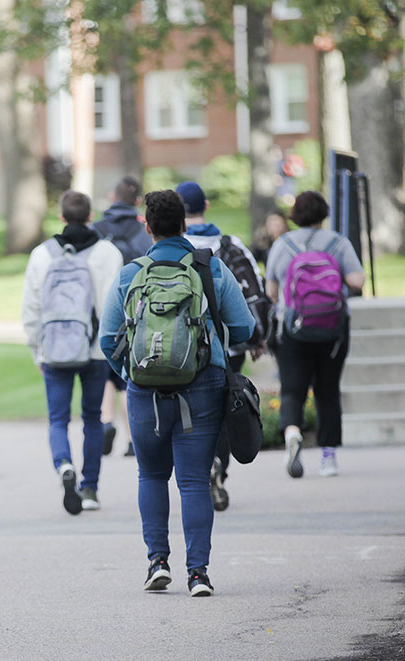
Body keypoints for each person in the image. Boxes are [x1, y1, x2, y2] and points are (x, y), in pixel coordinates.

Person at [99, 189, 255, 597]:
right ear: (184, 224)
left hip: (143, 392)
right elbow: (244, 329)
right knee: (192, 481)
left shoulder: (130, 273)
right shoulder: (210, 268)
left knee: (151, 474)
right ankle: (198, 573)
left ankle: (157, 562)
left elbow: (106, 339)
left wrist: (133, 375)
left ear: (147, 227)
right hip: (201, 386)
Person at [21, 190, 124, 514]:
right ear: (90, 216)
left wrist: (37, 348)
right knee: (93, 418)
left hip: (55, 348)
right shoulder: (109, 253)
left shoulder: (42, 254)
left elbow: (31, 307)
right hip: (95, 350)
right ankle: (90, 487)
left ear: (62, 218)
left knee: (58, 419)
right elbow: (118, 305)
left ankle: (64, 464)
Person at [177, 180, 271, 512]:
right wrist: (258, 337)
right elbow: (255, 290)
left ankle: (204, 467)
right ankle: (220, 466)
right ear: (206, 205)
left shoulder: (177, 249)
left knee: (195, 414)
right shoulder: (230, 246)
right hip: (229, 348)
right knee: (223, 411)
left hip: (186, 350)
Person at [265, 191, 366, 479]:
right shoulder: (338, 243)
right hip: (333, 329)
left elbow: (271, 292)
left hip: (293, 329)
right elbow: (358, 280)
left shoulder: (282, 245)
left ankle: (293, 433)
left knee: (292, 389)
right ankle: (328, 457)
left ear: (295, 216)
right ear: (324, 213)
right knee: (328, 390)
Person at [91, 175, 151, 457]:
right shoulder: (143, 231)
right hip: (136, 309)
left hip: (101, 308)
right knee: (129, 378)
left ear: (113, 197)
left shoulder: (98, 229)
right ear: (138, 201)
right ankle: (131, 439)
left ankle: (105, 422)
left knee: (104, 370)